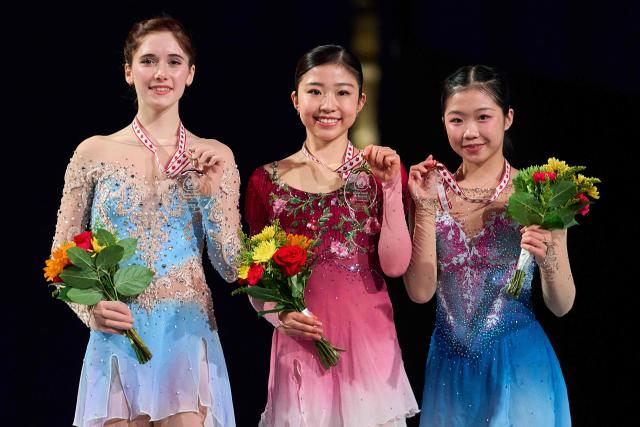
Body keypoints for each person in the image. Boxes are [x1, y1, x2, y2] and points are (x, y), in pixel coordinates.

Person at [50, 16, 239, 427]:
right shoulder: (94, 152)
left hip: (186, 333)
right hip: (117, 332)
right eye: (148, 60)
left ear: (190, 74)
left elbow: (231, 268)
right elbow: (60, 259)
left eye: (174, 62)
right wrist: (90, 310)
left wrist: (208, 200)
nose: (160, 73)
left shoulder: (214, 156)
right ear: (128, 70)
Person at [244, 44, 419, 426]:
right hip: (302, 343)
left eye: (342, 92)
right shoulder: (265, 180)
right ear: (294, 99)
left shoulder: (382, 172)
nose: (328, 104)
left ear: (360, 101)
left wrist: (391, 188)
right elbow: (255, 275)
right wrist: (280, 314)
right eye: (314, 91)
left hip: (369, 347)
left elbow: (394, 265)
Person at [404, 65, 574, 426]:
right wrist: (422, 208)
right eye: (456, 120)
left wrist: (549, 261)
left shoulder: (540, 191)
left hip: (519, 366)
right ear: (443, 122)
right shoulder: (430, 190)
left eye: (484, 117)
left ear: (507, 118)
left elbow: (561, 305)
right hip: (450, 374)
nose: (470, 132)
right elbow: (420, 293)